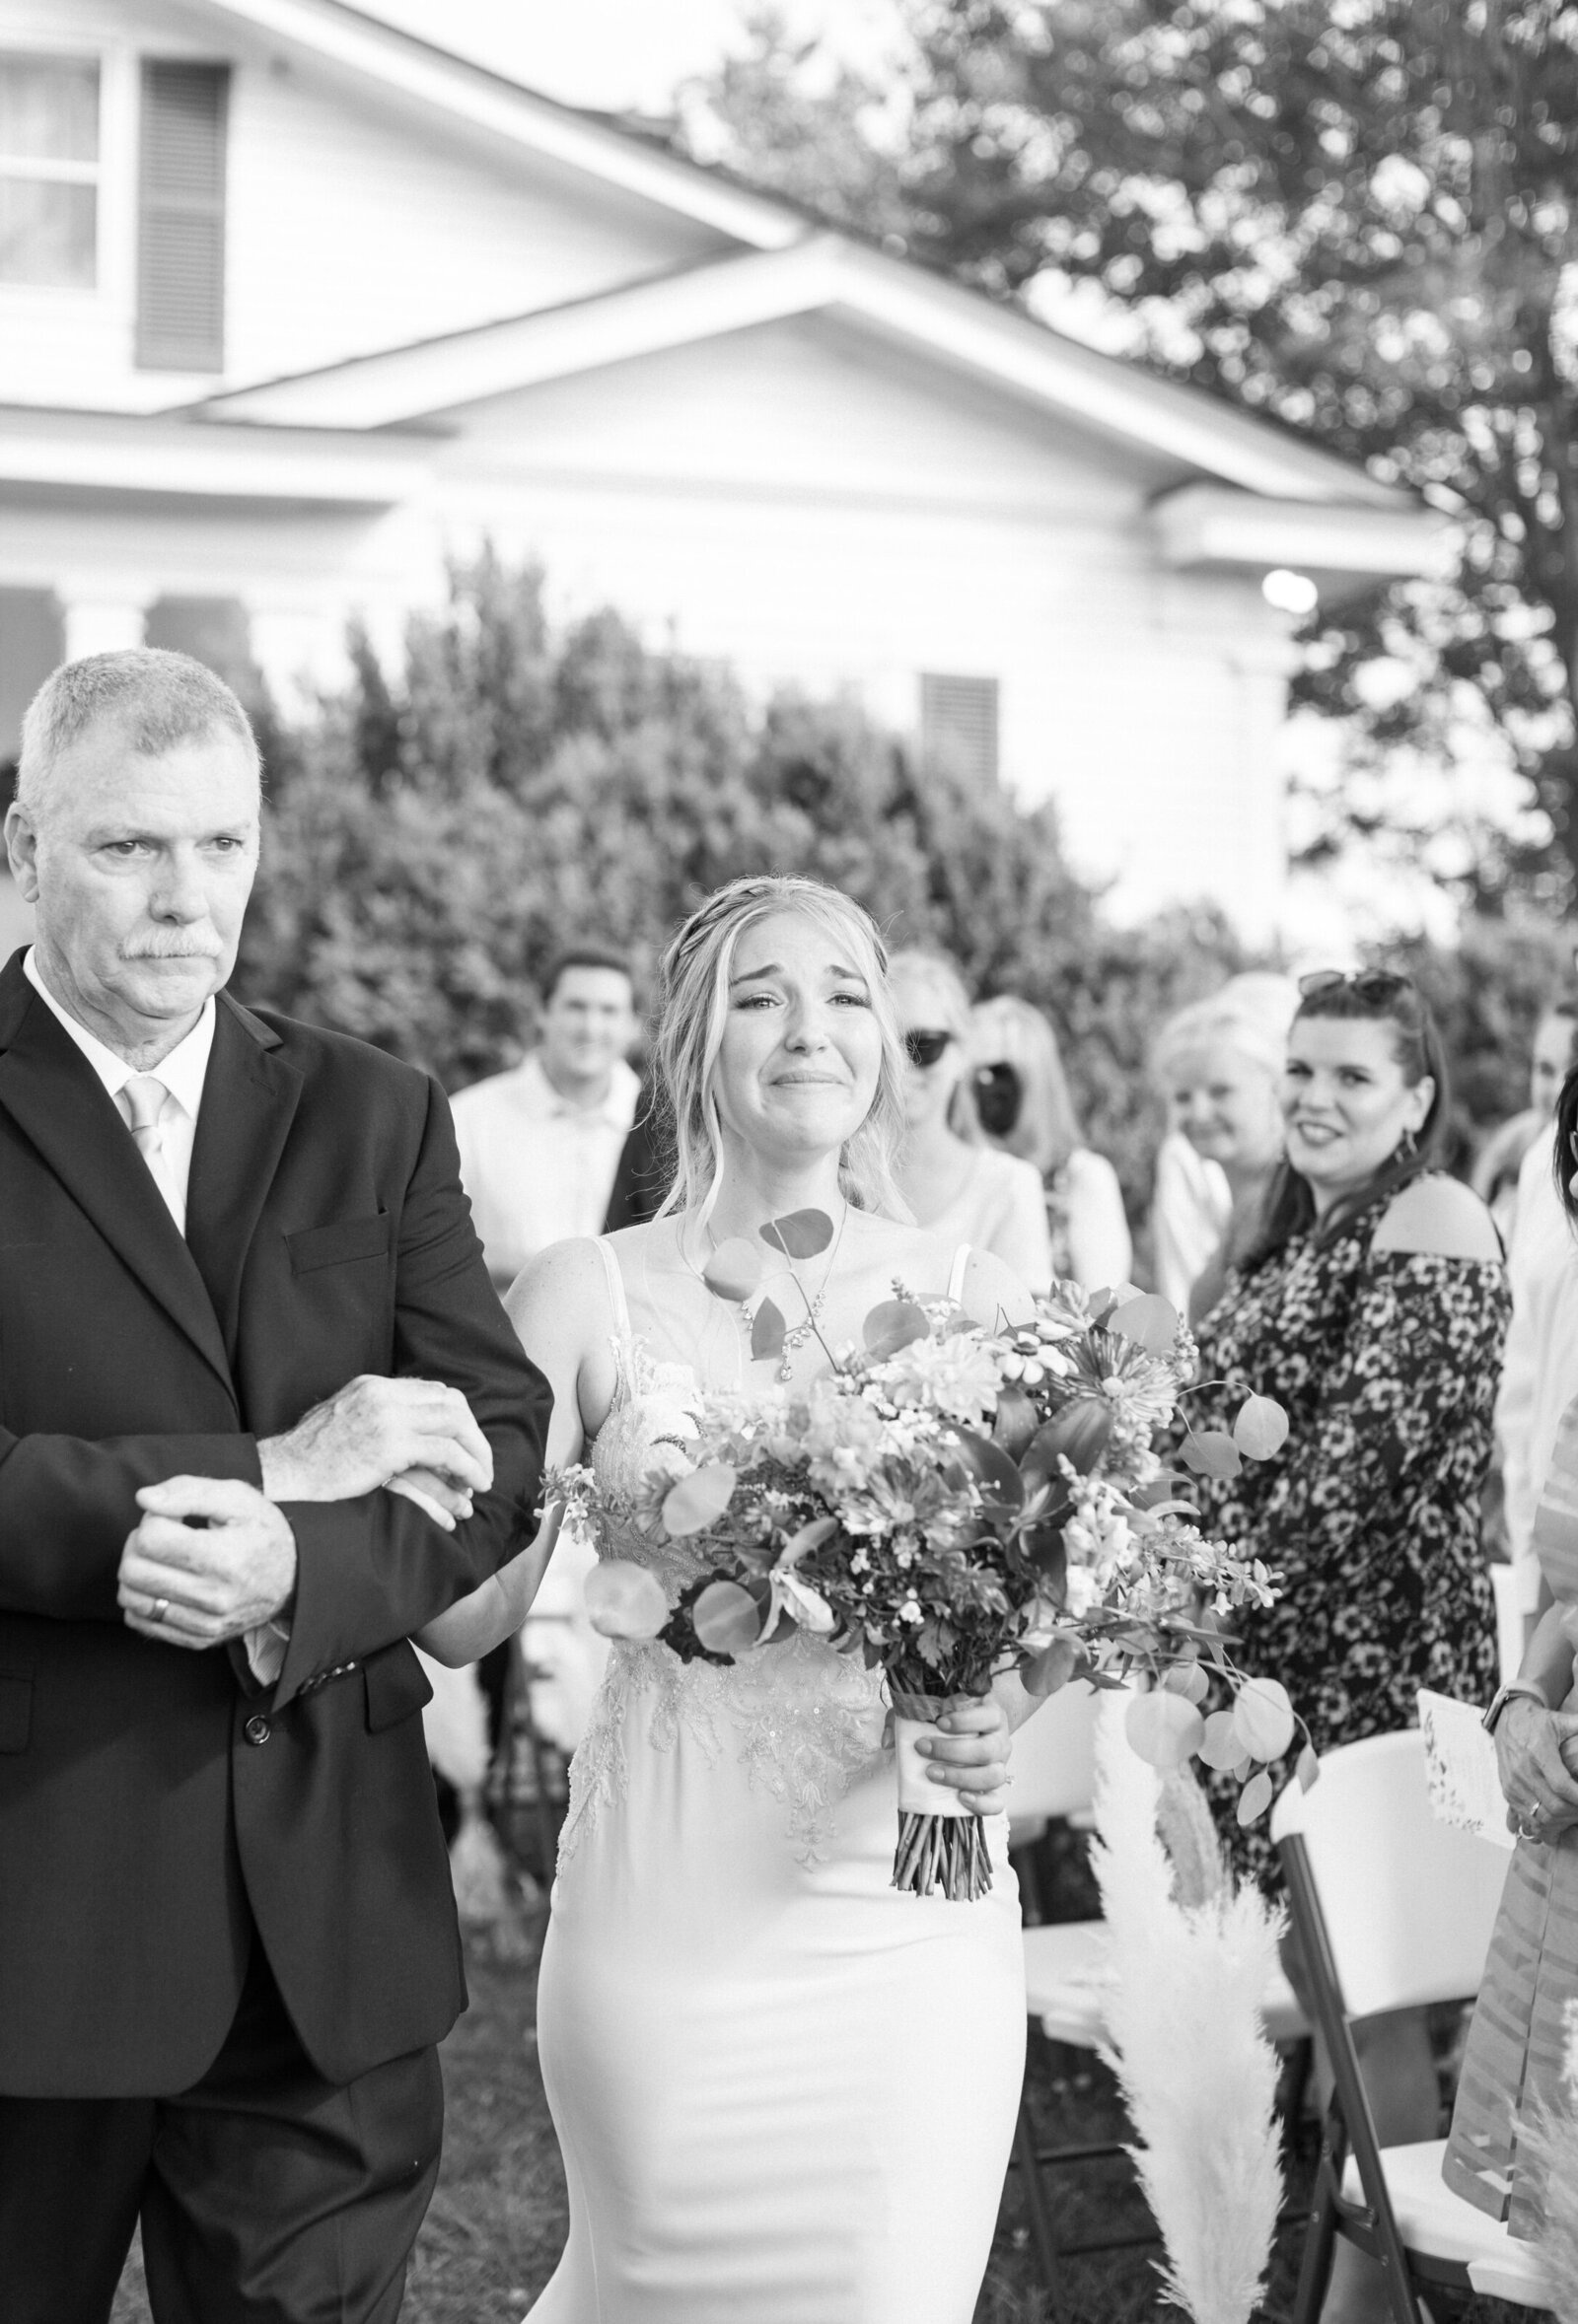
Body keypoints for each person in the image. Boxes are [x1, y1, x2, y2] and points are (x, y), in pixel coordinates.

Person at [0, 649, 549, 2324]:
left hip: (323, 1927)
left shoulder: (373, 1110)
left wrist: (301, 1577)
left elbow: (497, 1444)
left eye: (223, 847)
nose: (187, 901)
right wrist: (268, 1477)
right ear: (21, 847)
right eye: (127, 850)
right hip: (31, 1915)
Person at [421, 876, 1040, 2324]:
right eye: (762, 995)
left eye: (843, 996)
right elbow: (462, 1620)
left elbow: (1070, 1571)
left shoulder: (982, 1288)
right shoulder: (585, 1289)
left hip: (912, 1910)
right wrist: (489, 1480)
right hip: (666, 1911)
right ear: (695, 1043)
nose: (808, 1028)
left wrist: (1003, 1701)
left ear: (885, 1043)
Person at [1192, 966, 1507, 2324]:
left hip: (1375, 1680)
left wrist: (1193, 1571)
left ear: (1418, 1098)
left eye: (1354, 1076)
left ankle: (1375, 2313)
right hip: (1287, 1673)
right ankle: (1344, 2298)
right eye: (1301, 1071)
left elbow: (1353, 1477)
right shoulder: (1299, 1234)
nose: (1316, 1098)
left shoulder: (1435, 1218)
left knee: (1374, 2006)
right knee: (1336, 2005)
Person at [451, 944, 641, 1293]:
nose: (590, 1027)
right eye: (576, 1007)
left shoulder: (665, 1127)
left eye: (609, 1011)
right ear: (542, 1012)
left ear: (633, 1026)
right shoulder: (467, 1120)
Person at [887, 948, 1054, 1291]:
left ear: (963, 1054)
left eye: (923, 1046)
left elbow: (1023, 1332)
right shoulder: (834, 1180)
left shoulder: (1008, 1185)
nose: (902, 1065)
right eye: (886, 1045)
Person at [1150, 974, 1297, 1323]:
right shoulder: (1243, 1204)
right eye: (1183, 1097)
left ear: (1275, 1088)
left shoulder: (1293, 1203)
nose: (1199, 1113)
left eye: (1221, 1092)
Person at [968, 991, 1131, 1290]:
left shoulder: (1081, 1178)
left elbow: (1104, 1311)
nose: (984, 1085)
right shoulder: (962, 1177)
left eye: (998, 1073)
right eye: (972, 1073)